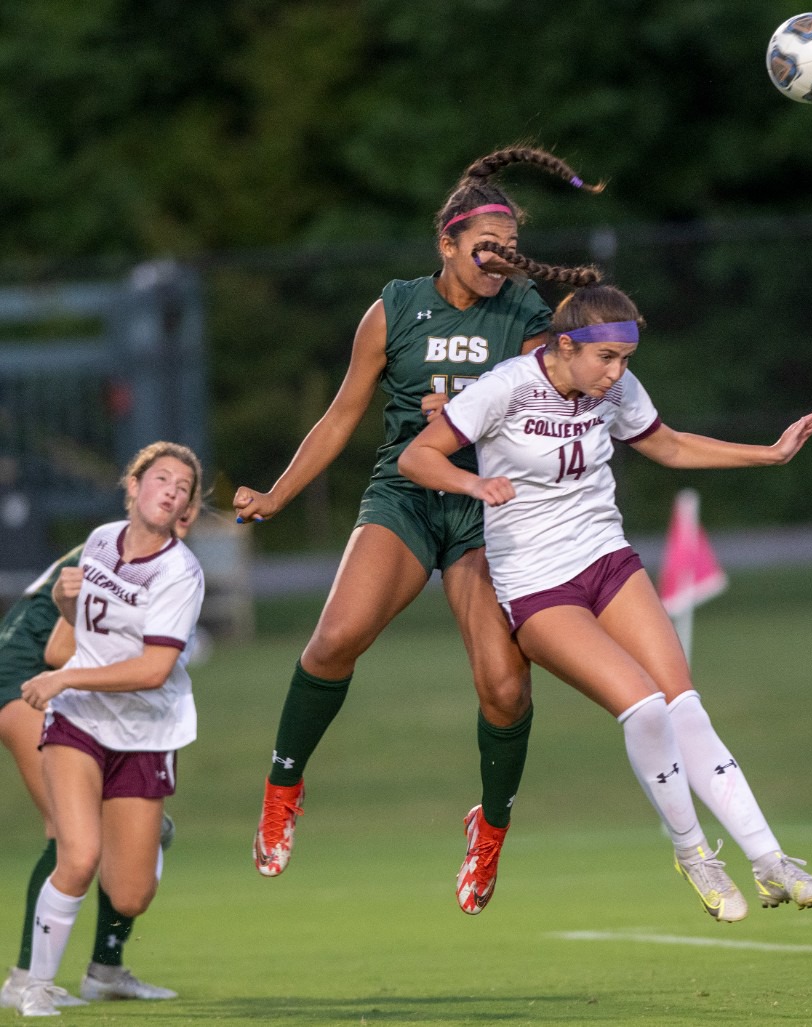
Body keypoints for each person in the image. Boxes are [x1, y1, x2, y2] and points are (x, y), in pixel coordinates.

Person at [233, 146, 604, 915]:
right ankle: (282, 783)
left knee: (503, 686)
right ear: (446, 242)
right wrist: (276, 493)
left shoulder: (529, 314)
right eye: (485, 250)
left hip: (487, 506)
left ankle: (491, 827)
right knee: (335, 638)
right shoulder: (395, 308)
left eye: (508, 252)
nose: (498, 262)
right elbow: (341, 415)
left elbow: (569, 389)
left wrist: (483, 413)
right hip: (407, 496)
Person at [398, 283, 812, 921]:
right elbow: (417, 457)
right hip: (537, 584)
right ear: (565, 346)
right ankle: (695, 858)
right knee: (645, 708)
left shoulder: (613, 389)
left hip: (607, 560)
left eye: (626, 360)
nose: (617, 373)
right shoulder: (507, 386)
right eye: (606, 358)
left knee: (684, 706)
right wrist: (473, 480)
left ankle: (772, 863)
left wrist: (768, 455)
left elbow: (669, 444)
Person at [11, 441, 205, 1017]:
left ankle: (147, 835)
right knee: (77, 854)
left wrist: (65, 680)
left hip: (146, 734)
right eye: (161, 478)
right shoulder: (98, 541)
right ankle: (35, 988)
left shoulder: (180, 573)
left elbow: (153, 670)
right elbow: (71, 642)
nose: (170, 490)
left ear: (184, 513)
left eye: (182, 489)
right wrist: (62, 603)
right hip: (81, 725)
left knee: (130, 893)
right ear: (133, 485)